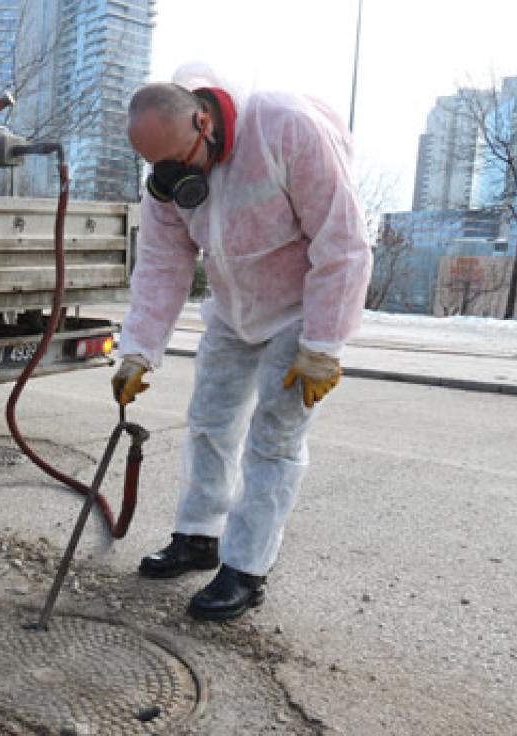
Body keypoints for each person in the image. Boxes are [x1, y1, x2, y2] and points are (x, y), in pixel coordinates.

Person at [113, 63, 372, 621]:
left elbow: (344, 242)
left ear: (202, 121)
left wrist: (323, 345)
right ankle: (199, 535)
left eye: (177, 162)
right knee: (209, 422)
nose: (171, 179)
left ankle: (246, 568)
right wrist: (137, 347)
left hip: (300, 312)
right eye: (157, 167)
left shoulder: (284, 127)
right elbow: (162, 265)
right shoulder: (168, 180)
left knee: (272, 442)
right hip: (233, 312)